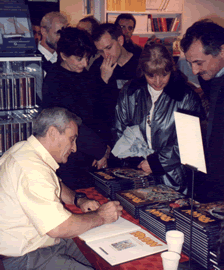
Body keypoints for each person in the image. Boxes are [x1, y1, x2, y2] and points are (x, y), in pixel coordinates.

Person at [0, 107, 123, 270]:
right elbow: (59, 228)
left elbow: (54, 184)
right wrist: (101, 216)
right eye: (72, 139)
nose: (74, 148)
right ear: (52, 133)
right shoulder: (31, 168)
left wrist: (78, 199)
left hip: (41, 242)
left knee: (108, 258)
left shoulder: (25, 150)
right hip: (25, 257)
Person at [114, 41, 203, 193]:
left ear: (171, 70)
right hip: (136, 173)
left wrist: (156, 162)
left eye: (164, 75)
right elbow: (119, 129)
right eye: (151, 75)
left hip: (173, 177)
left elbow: (189, 143)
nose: (157, 82)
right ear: (143, 71)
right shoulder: (130, 91)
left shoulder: (185, 96)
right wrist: (135, 162)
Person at [41, 27, 110, 189]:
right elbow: (68, 123)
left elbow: (100, 113)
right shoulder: (54, 80)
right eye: (79, 59)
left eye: (87, 58)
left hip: (93, 154)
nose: (85, 63)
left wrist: (105, 147)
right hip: (69, 158)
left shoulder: (85, 75)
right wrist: (99, 150)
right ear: (63, 55)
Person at [181, 19, 224, 202]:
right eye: (190, 63)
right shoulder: (211, 77)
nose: (194, 70)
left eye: (199, 62)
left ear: (222, 51)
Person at [90, 23, 140, 133]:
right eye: (101, 51)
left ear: (120, 41)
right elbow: (94, 109)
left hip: (138, 128)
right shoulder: (97, 67)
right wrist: (103, 81)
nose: (106, 55)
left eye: (108, 48)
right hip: (111, 131)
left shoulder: (141, 62)